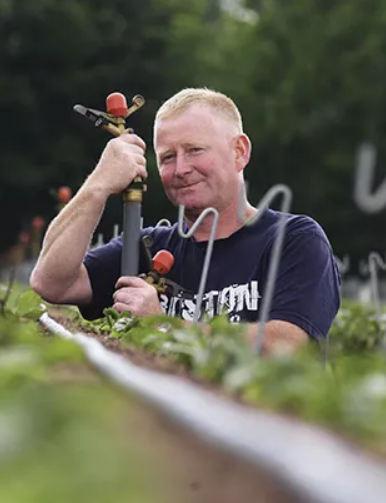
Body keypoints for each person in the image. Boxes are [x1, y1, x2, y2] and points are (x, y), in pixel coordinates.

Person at [30, 87, 340, 355]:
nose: (180, 169)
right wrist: (98, 186)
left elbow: (287, 345)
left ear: (239, 152)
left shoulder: (294, 240)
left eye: (194, 150)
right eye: (167, 157)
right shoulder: (148, 247)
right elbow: (51, 282)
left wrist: (163, 323)